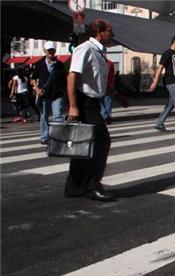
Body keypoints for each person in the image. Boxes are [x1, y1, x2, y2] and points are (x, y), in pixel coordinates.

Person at [65, 19, 117, 201]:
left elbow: (100, 80)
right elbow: (72, 77)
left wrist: (117, 95)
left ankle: (75, 187)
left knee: (83, 145)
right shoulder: (85, 48)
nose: (113, 34)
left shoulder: (100, 52)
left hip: (94, 102)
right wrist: (73, 106)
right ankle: (92, 185)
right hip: (84, 102)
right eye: (110, 31)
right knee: (102, 143)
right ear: (99, 31)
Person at [31, 41, 66, 145]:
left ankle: (58, 137)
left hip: (57, 94)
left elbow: (64, 80)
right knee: (44, 116)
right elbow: (33, 78)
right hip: (44, 94)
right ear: (45, 51)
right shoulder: (39, 64)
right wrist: (37, 89)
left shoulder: (60, 65)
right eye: (49, 50)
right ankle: (44, 137)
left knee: (58, 116)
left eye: (52, 50)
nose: (51, 52)